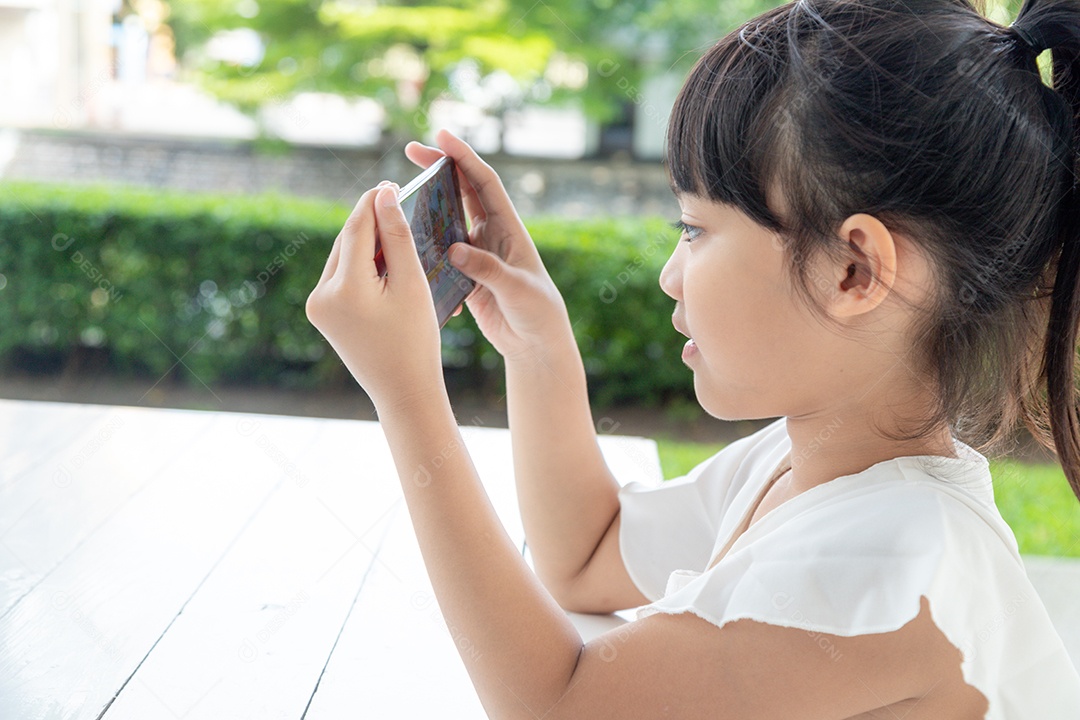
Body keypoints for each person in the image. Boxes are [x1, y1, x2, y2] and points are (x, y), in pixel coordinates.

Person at [304, 0, 1080, 716]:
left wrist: (406, 396)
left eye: (694, 229)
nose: (672, 273)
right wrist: (538, 347)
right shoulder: (804, 463)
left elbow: (557, 706)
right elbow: (586, 555)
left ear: (855, 271)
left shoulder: (891, 561)